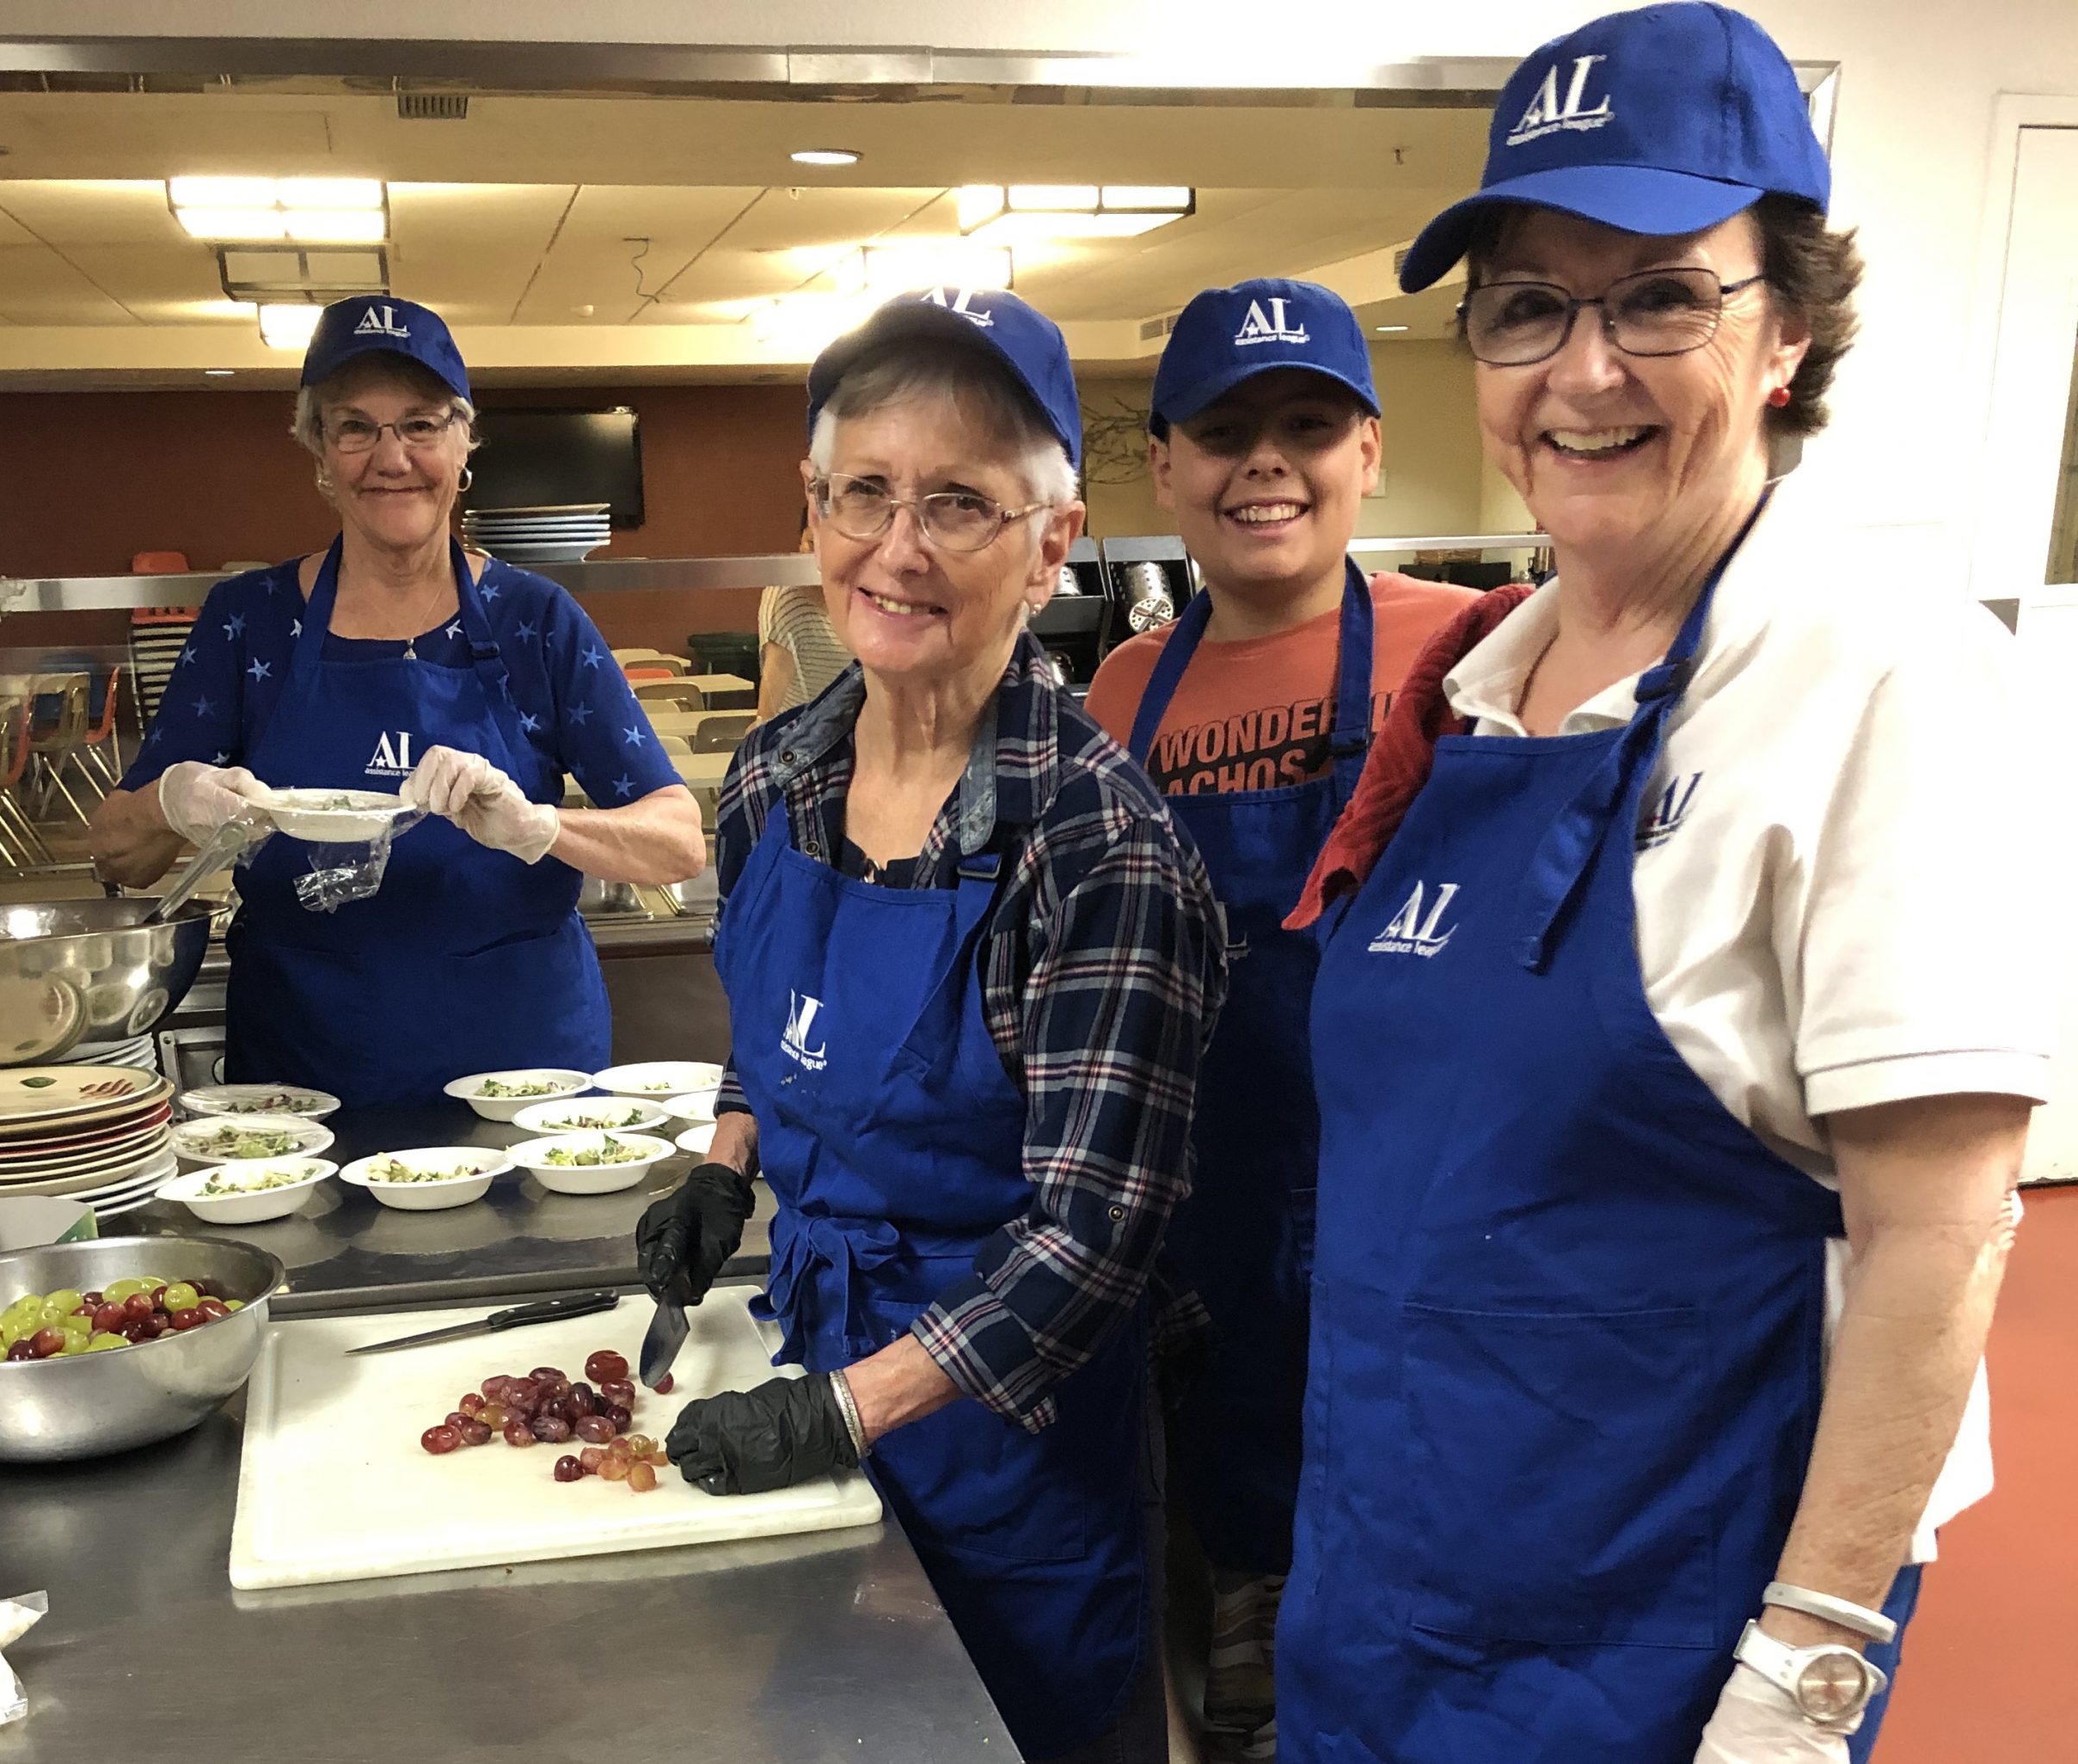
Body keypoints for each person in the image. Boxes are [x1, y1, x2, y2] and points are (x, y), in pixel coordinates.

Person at [1272, 8, 2052, 1763]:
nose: (1583, 369)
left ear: (1780, 329)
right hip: (1382, 1596)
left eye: (1656, 298)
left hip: (1649, 1654)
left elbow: (1941, 1236)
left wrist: (1803, 1677)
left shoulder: (1874, 676)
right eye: (1527, 305)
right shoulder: (1472, 683)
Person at [634, 286, 1229, 1763]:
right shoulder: (773, 774)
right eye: (868, 494)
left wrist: (851, 1410)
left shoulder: (1099, 847)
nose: (899, 548)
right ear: (814, 510)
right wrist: (727, 1157)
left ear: (1053, 542)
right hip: (812, 1360)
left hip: (1012, 1449)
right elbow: (778, 1025)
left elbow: (1096, 1238)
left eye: (960, 502)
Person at [1083, 279, 1474, 1762]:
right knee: (1234, 1410)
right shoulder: (1129, 681)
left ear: (1368, 450)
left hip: (1401, 1139)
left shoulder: (1473, 647)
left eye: (1307, 425)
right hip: (1207, 1148)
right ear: (1169, 467)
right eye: (1225, 431)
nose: (1266, 463)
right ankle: (1251, 1599)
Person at [89, 295, 703, 1108]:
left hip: (523, 1080)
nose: (392, 456)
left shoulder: (538, 621)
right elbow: (113, 854)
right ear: (317, 448)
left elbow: (678, 843)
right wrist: (174, 800)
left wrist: (542, 827)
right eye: (355, 426)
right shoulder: (249, 621)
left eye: (421, 423)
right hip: (302, 1083)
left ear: (464, 442)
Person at [756, 511, 853, 719]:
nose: (816, 556)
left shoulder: (860, 594)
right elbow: (771, 700)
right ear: (800, 542)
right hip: (800, 732)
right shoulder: (785, 594)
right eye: (810, 543)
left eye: (826, 546)